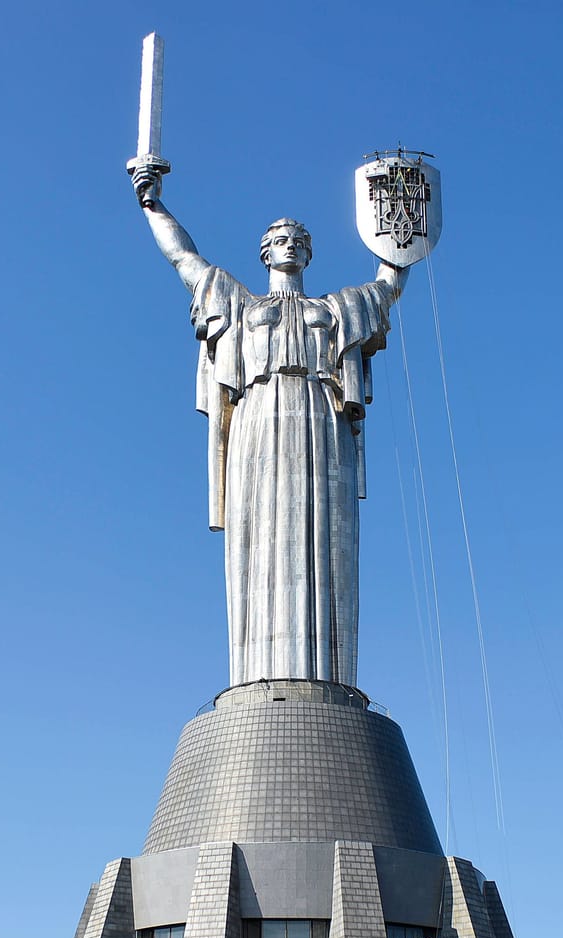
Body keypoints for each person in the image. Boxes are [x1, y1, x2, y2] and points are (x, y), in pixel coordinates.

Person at [132, 163, 407, 689]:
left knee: (327, 542)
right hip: (258, 417)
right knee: (259, 539)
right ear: (265, 252)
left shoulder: (335, 309)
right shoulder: (239, 304)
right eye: (279, 239)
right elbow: (183, 258)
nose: (289, 245)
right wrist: (153, 204)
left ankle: (328, 679)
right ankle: (258, 680)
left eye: (298, 240)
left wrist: (398, 226)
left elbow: (388, 286)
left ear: (308, 253)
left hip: (321, 418)